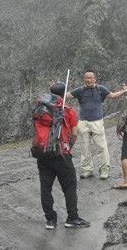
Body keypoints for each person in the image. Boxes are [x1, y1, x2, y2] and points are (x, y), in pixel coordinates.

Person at [37, 82, 90, 229]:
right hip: (62, 154)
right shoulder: (68, 110)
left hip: (43, 153)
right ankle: (72, 218)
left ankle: (50, 220)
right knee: (70, 185)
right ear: (64, 94)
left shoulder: (41, 109)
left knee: (46, 187)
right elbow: (74, 134)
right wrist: (69, 147)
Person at [65, 70, 127, 180]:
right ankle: (86, 169)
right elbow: (66, 95)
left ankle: (104, 169)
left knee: (101, 147)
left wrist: (123, 92)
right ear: (84, 79)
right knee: (85, 147)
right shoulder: (80, 90)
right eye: (87, 78)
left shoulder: (100, 89)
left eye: (91, 78)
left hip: (97, 122)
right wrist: (56, 90)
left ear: (95, 79)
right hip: (83, 123)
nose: (89, 80)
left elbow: (113, 96)